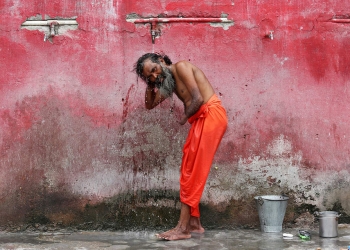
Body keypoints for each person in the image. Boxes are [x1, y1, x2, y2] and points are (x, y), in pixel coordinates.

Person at [134, 53, 228, 241]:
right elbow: (150, 105)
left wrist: (184, 118)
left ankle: (182, 229)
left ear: (161, 61)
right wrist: (150, 85)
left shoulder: (181, 67)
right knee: (187, 171)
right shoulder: (169, 81)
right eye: (149, 76)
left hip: (211, 116)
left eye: (154, 70)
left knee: (193, 174)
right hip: (202, 121)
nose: (154, 76)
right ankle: (194, 223)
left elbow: (198, 99)